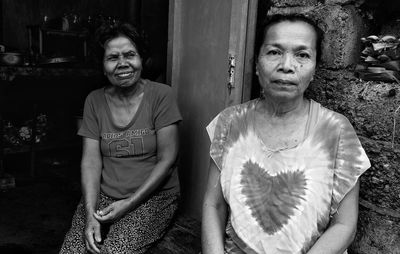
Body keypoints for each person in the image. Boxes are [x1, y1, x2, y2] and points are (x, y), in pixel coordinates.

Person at [202, 14, 370, 254]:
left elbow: (345, 225)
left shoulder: (336, 130)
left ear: (314, 70)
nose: (287, 66)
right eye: (274, 52)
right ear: (256, 63)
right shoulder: (230, 122)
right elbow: (213, 204)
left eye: (302, 55)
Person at [60, 22, 182, 254]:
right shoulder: (94, 101)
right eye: (113, 57)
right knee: (73, 250)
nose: (123, 63)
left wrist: (128, 204)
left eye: (130, 55)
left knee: (116, 250)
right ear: (103, 66)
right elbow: (90, 162)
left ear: (141, 60)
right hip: (106, 195)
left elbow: (167, 161)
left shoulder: (161, 95)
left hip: (153, 196)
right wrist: (90, 213)